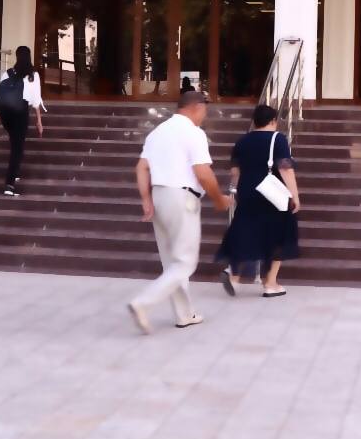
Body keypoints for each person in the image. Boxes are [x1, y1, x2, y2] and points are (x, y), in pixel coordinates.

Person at [128, 91, 231, 334]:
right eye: (205, 110)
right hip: (182, 198)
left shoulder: (157, 132)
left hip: (159, 195)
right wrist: (219, 199)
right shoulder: (193, 133)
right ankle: (142, 303)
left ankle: (184, 314)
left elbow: (141, 167)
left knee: (172, 262)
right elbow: (203, 172)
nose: (205, 115)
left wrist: (146, 199)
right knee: (184, 263)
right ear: (197, 107)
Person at [215, 104, 301, 298]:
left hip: (247, 192)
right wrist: (295, 196)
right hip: (272, 196)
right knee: (279, 235)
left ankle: (234, 275)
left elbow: (235, 171)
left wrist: (236, 191)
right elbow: (286, 168)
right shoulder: (278, 139)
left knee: (246, 231)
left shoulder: (242, 141)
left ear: (254, 121)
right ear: (273, 121)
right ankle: (270, 283)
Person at [0, 46, 45, 196]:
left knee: (15, 142)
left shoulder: (7, 73)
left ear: (17, 57)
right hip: (20, 112)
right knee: (17, 149)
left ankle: (16, 171)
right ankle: (9, 185)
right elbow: (36, 101)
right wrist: (39, 121)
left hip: (6, 114)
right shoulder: (33, 75)